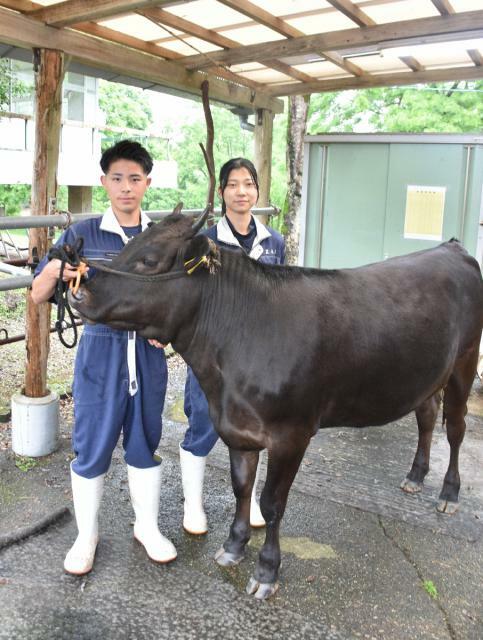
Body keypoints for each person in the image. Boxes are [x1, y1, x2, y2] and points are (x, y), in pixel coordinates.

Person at [31, 140, 176, 575]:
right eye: (117, 179)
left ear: (147, 183)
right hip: (99, 352)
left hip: (148, 354)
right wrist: (60, 269)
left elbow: (181, 299)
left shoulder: (161, 236)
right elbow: (38, 294)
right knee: (91, 445)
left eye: (135, 179)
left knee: (145, 442)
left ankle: (146, 527)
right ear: (104, 182)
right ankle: (86, 534)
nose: (126, 188)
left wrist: (165, 331)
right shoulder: (82, 234)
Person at [180, 157, 286, 535]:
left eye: (248, 184)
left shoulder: (274, 242)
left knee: (253, 430)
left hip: (258, 361)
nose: (242, 191)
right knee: (203, 426)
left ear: (257, 190)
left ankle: (253, 501)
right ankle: (193, 506)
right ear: (222, 192)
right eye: (233, 184)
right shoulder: (203, 242)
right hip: (211, 358)